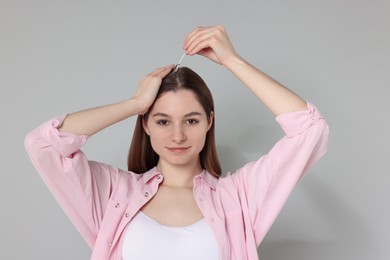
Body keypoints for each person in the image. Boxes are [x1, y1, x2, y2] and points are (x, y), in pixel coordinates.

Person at [25, 25, 329, 260]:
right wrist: (134, 103)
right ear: (145, 124)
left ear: (210, 121)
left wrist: (232, 61)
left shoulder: (238, 199)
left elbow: (310, 129)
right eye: (162, 121)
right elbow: (44, 144)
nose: (178, 135)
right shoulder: (113, 195)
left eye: (192, 120)